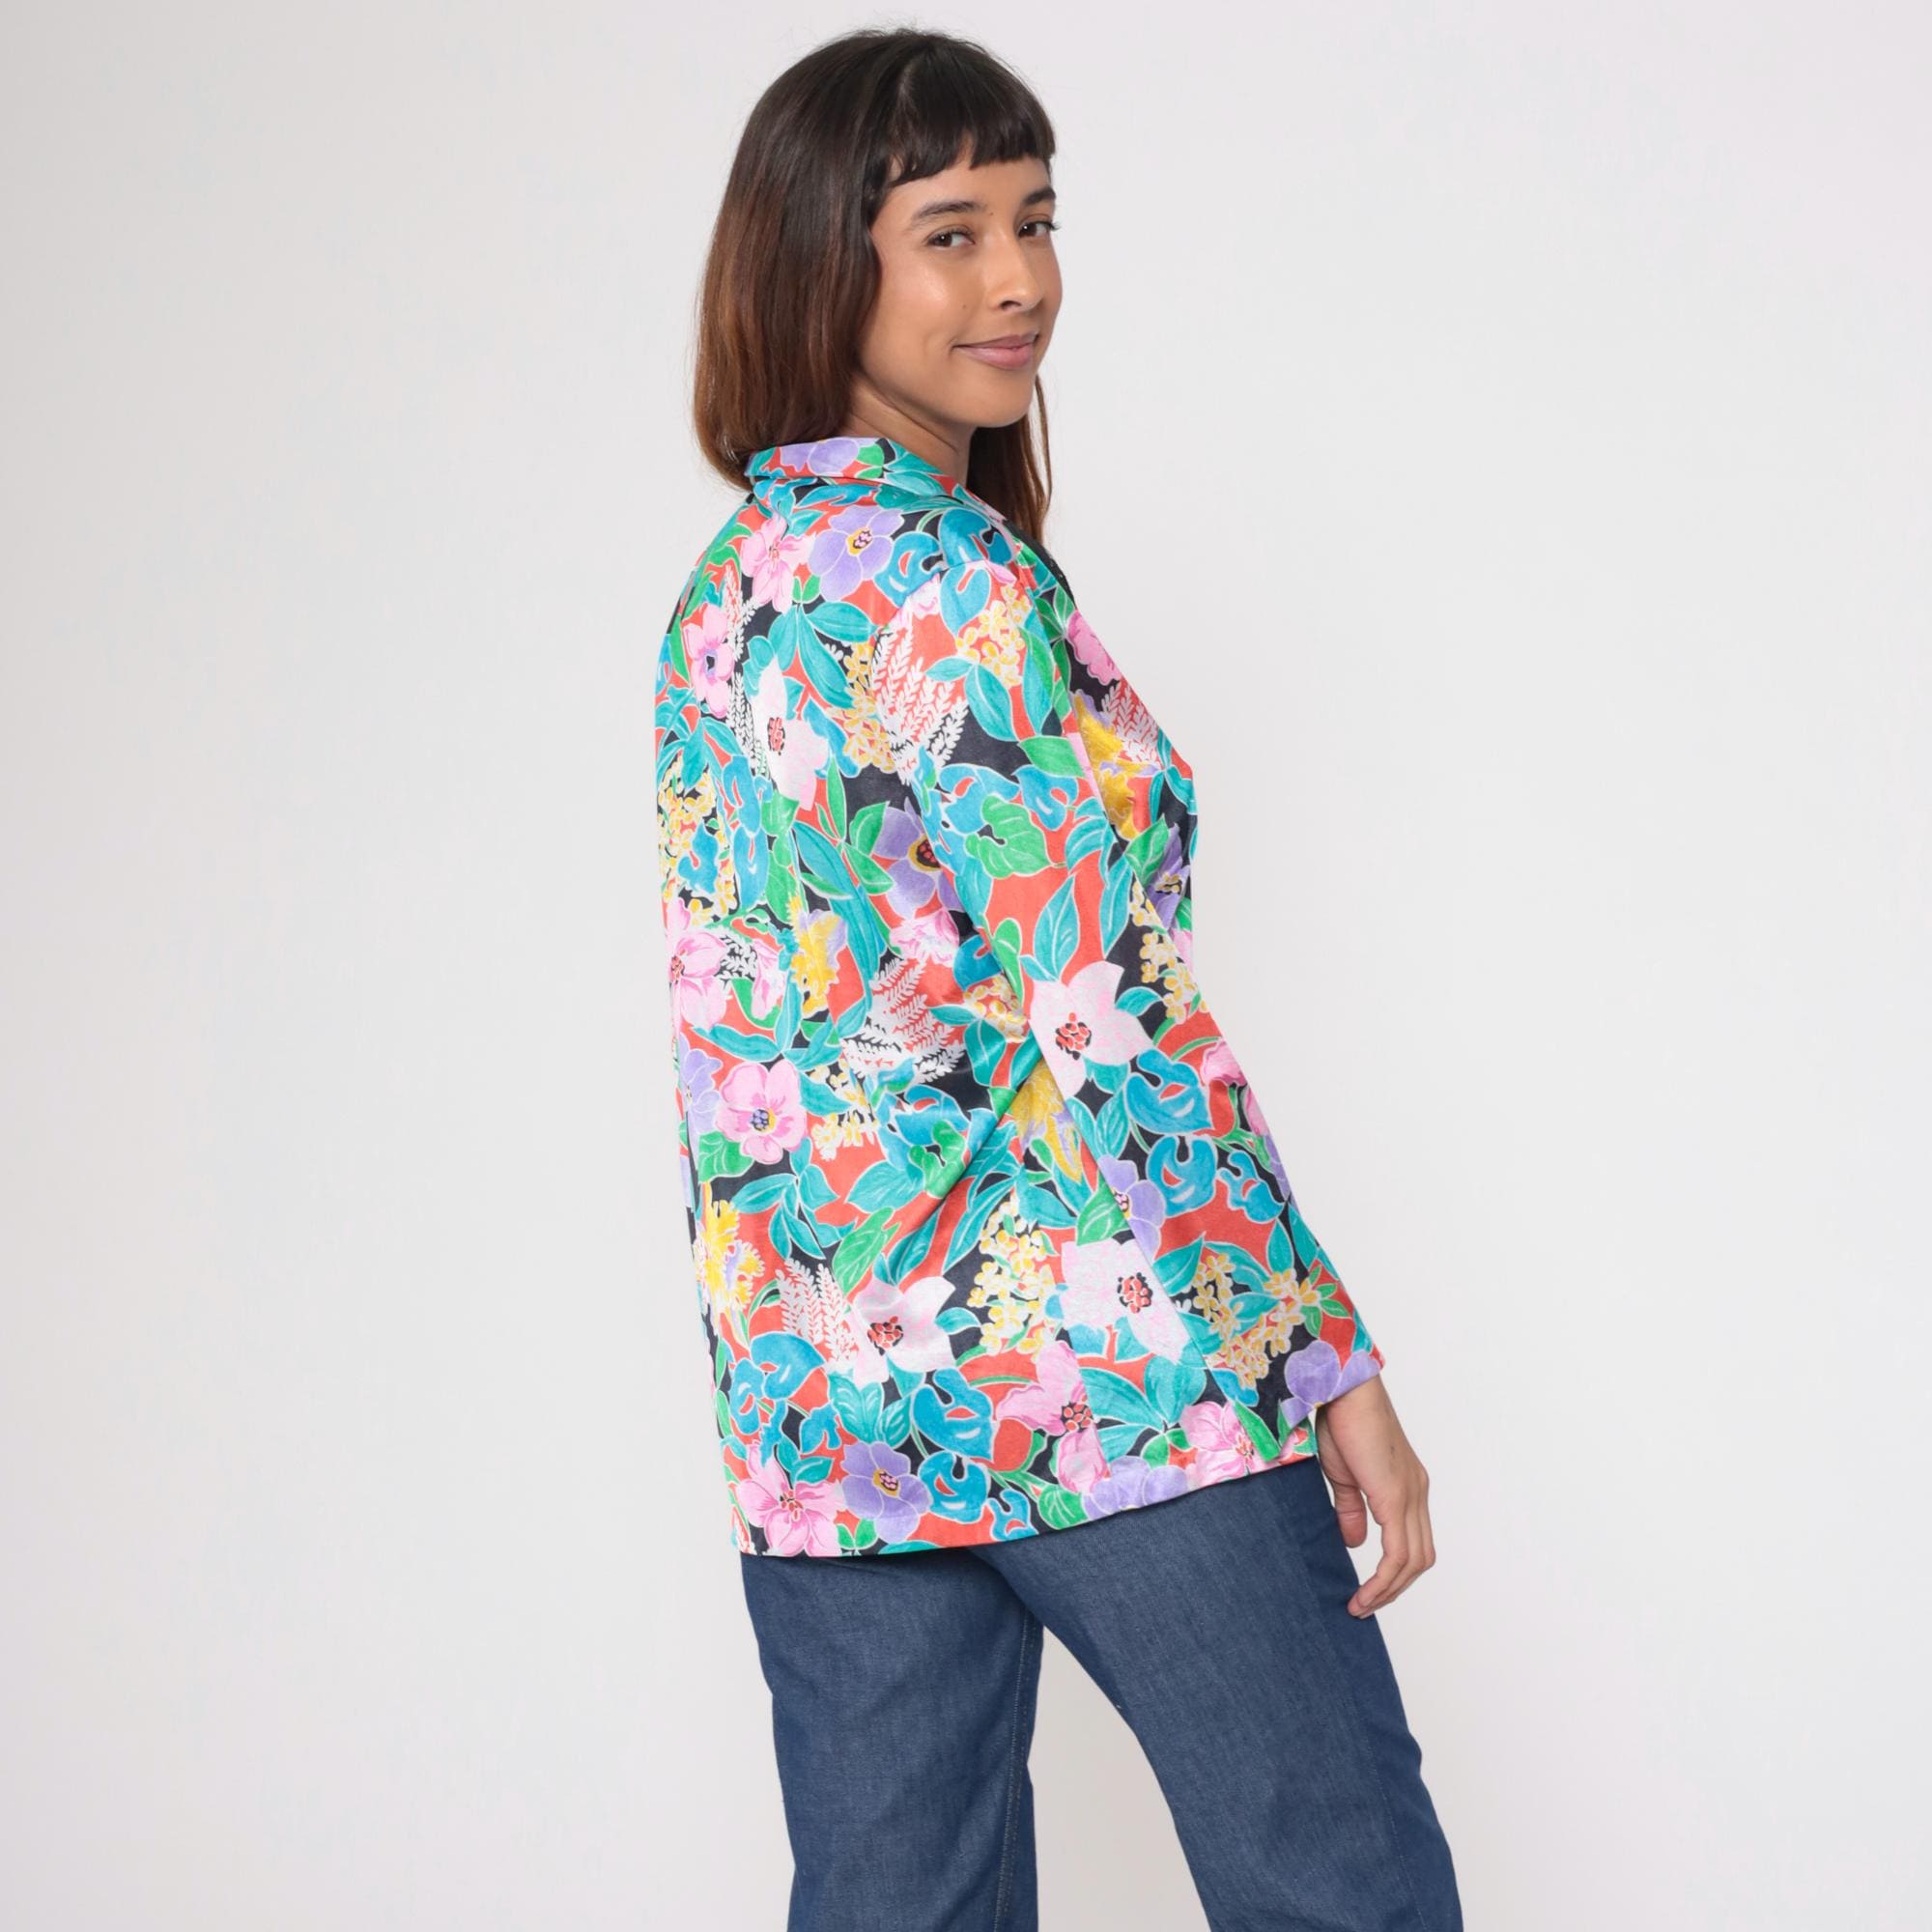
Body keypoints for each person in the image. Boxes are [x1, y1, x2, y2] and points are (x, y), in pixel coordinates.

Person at [654, 26, 1463, 1931]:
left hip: (828, 1399)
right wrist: (1320, 1355)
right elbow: (1105, 1015)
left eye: (1034, 221)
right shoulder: (950, 583)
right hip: (1095, 1359)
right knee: (1340, 1887)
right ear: (820, 262)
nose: (1017, 279)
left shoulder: (731, 589)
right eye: (950, 233)